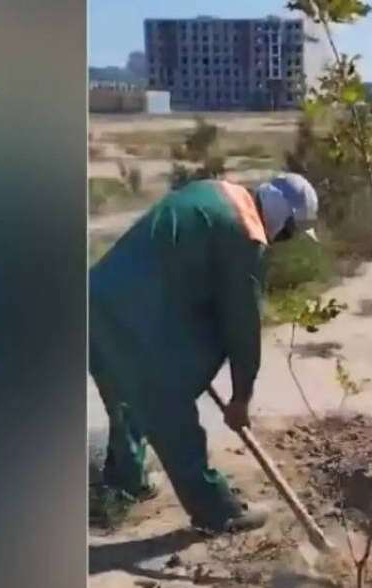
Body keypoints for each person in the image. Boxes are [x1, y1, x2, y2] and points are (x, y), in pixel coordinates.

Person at [89, 173, 319, 533]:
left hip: (98, 297)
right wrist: (241, 398)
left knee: (124, 396)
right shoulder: (245, 234)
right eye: (289, 233)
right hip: (134, 317)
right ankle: (218, 512)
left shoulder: (214, 191)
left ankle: (125, 482)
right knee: (170, 409)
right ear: (282, 219)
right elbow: (243, 329)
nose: (283, 242)